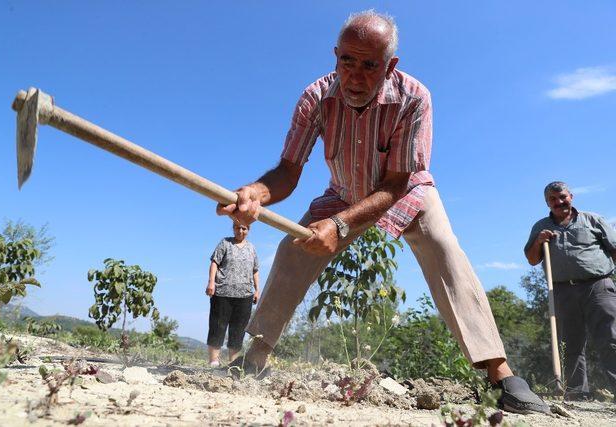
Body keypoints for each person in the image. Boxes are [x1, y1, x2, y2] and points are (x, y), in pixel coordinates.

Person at [217, 10, 549, 413]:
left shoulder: (414, 98)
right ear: (335, 56)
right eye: (347, 62)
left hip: (406, 189)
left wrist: (340, 225)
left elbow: (394, 184)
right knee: (293, 249)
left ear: (390, 65)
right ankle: (255, 359)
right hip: (342, 193)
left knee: (443, 247)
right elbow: (288, 171)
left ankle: (501, 376)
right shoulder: (315, 98)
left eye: (369, 65)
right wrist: (255, 193)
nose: (355, 76)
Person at [524, 181, 616, 400]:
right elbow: (532, 259)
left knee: (611, 338)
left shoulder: (592, 220)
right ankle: (576, 394)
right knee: (569, 346)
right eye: (553, 199)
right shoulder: (540, 226)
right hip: (562, 291)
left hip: (598, 286)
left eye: (562, 197)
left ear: (571, 196)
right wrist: (539, 241)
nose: (558, 202)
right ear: (547, 202)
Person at [205, 221, 260, 367]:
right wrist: (211, 282)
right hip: (222, 292)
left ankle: (233, 364)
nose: (240, 231)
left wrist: (257, 290)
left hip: (245, 295)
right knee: (217, 326)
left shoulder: (252, 248)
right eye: (237, 227)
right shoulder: (225, 243)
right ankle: (214, 361)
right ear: (233, 228)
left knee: (238, 329)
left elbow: (255, 270)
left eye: (244, 228)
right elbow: (214, 262)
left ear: (248, 230)